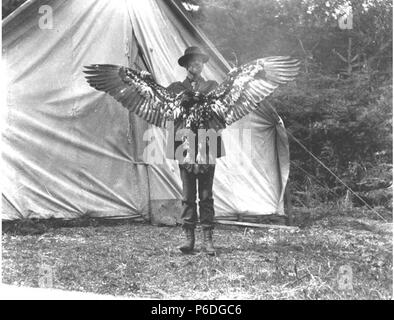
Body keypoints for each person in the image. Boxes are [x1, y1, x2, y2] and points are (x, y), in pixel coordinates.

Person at [166, 46, 225, 255]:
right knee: (188, 195)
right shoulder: (174, 89)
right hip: (185, 145)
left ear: (202, 65)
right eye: (192, 62)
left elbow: (220, 117)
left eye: (199, 61)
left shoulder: (212, 87)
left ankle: (208, 240)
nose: (196, 64)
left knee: (206, 195)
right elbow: (170, 118)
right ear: (186, 65)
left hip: (207, 144)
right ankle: (189, 239)